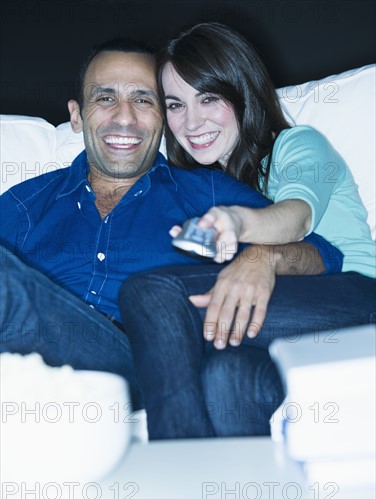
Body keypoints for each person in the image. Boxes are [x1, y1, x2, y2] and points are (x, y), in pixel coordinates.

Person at [0, 37, 339, 417]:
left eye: (143, 100)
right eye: (106, 98)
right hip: (23, 366)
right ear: (77, 116)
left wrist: (262, 258)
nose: (125, 117)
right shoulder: (24, 204)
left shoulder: (207, 193)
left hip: (142, 366)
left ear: (163, 116)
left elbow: (323, 255)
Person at [119, 23, 376, 438]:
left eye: (208, 98)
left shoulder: (296, 145)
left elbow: (297, 217)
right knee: (226, 374)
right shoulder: (199, 186)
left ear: (242, 93)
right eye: (176, 104)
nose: (192, 121)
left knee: (153, 293)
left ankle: (176, 468)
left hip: (359, 302)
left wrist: (240, 223)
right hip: (285, 331)